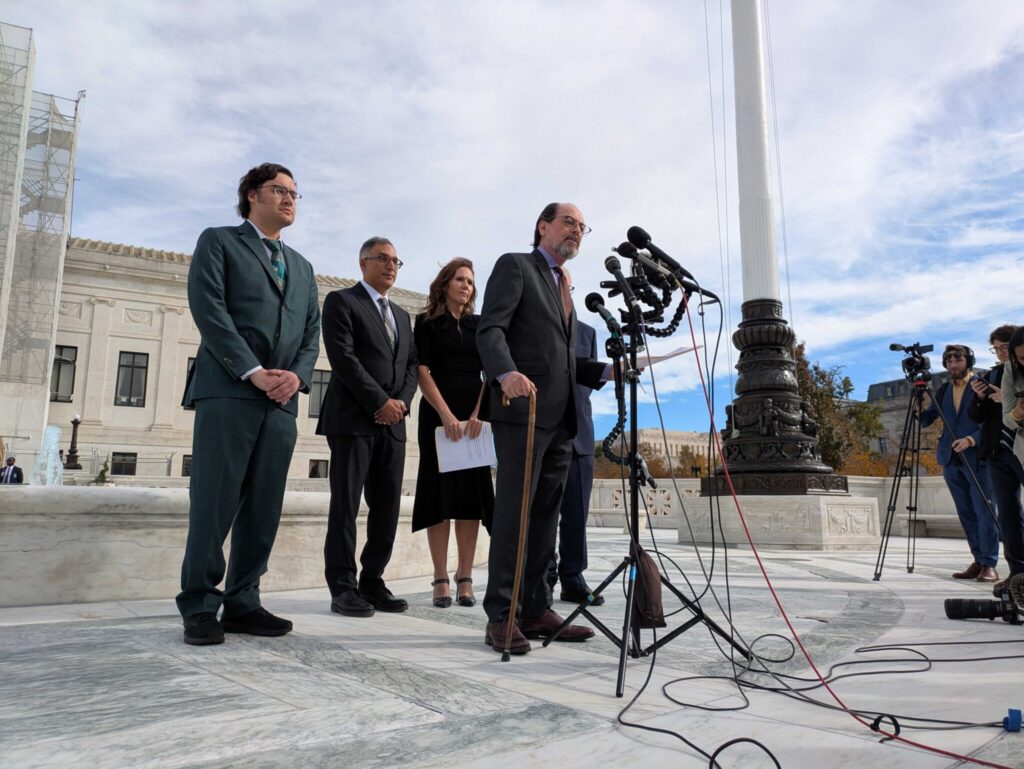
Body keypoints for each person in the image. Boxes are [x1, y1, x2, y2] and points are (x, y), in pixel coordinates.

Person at [176, 163, 321, 646]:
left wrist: (296, 376)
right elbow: (209, 308)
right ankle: (199, 603)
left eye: (296, 194)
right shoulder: (219, 241)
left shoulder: (301, 267)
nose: (290, 200)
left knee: (264, 506)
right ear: (252, 195)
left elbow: (310, 332)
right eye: (281, 191)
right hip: (230, 390)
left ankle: (243, 600)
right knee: (214, 502)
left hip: (280, 402)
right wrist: (252, 370)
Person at [477, 202, 609, 654]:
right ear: (543, 226)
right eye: (568, 222)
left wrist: (606, 372)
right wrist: (504, 372)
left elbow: (565, 359)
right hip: (523, 414)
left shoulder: (565, 287)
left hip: (563, 421)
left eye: (582, 227)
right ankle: (501, 615)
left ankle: (535, 608)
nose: (577, 231)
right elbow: (490, 330)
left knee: (546, 520)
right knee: (514, 515)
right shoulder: (517, 267)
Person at [317, 237, 418, 617]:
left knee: (387, 507)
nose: (391, 266)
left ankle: (372, 582)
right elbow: (342, 358)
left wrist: (400, 404)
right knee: (345, 505)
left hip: (393, 426)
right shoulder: (343, 302)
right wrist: (380, 402)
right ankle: (343, 587)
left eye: (396, 260)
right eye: (383, 259)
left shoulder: (404, 316)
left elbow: (410, 367)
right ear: (363, 263)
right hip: (353, 421)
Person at [412, 258, 494, 608]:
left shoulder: (481, 325)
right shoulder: (426, 323)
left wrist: (477, 413)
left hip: (475, 418)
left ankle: (465, 577)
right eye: (460, 279)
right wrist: (445, 413)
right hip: (437, 417)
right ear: (444, 284)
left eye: (471, 282)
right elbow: (421, 369)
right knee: (439, 498)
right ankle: (440, 577)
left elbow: (491, 372)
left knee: (469, 501)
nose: (466, 286)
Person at [920, 344, 999, 582]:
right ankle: (977, 559)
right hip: (950, 458)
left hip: (977, 457)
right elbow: (927, 420)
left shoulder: (981, 384)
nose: (954, 365)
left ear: (968, 361)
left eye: (958, 360)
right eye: (949, 361)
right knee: (966, 513)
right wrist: (918, 405)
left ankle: (989, 563)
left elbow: (992, 421)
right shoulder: (943, 390)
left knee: (984, 512)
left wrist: (971, 440)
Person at [547, 319, 604, 606]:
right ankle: (544, 578)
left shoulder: (588, 333)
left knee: (577, 515)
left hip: (581, 434)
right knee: (544, 514)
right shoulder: (536, 324)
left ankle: (573, 579)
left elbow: (588, 378)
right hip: (547, 435)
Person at [969, 325, 1023, 592]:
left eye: (1005, 347)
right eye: (997, 348)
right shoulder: (992, 374)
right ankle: (1018, 574)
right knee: (1008, 515)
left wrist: (1006, 400)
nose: (1002, 353)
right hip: (997, 452)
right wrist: (980, 397)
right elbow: (975, 417)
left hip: (1019, 446)